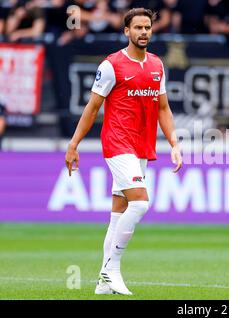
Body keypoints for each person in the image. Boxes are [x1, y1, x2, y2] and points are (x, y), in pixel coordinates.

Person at [65, 8, 183, 295]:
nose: (144, 32)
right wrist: (73, 144)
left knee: (118, 214)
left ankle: (102, 283)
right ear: (126, 31)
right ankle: (111, 271)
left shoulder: (157, 65)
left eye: (148, 27)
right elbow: (92, 108)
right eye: (138, 28)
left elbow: (163, 108)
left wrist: (175, 144)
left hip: (142, 146)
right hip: (118, 144)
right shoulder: (111, 65)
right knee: (140, 203)